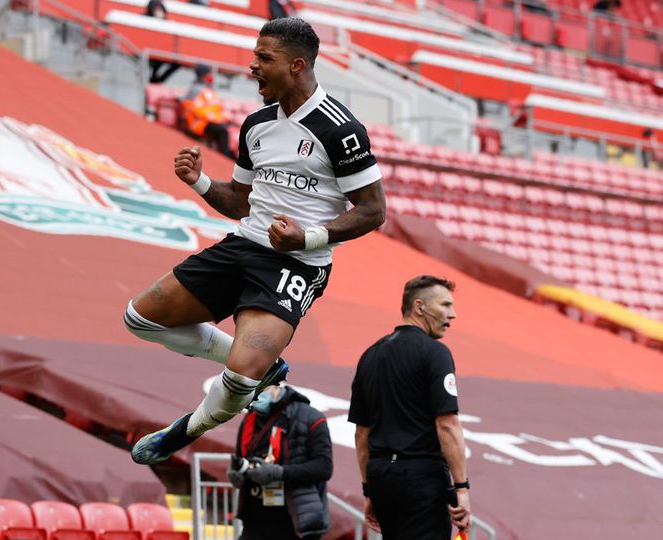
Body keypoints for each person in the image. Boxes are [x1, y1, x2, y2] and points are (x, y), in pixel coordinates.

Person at [126, 17, 385, 466]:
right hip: (243, 246)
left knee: (239, 375)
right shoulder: (256, 124)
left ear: (297, 65)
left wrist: (309, 237)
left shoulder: (341, 130)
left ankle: (188, 429)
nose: (252, 67)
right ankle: (266, 368)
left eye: (265, 58)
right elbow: (240, 202)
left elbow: (373, 210)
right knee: (140, 319)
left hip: (297, 266)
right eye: (254, 56)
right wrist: (200, 181)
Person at [348, 275, 471, 539]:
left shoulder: (370, 355)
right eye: (446, 305)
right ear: (419, 307)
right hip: (421, 477)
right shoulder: (435, 352)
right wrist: (461, 488)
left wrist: (369, 491)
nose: (454, 314)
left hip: (382, 478)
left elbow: (362, 434)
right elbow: (447, 424)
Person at [227, 384, 333, 539]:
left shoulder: (311, 418)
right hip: (255, 520)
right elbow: (241, 457)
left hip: (295, 521)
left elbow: (324, 467)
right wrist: (237, 474)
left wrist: (278, 473)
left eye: (260, 388)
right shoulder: (249, 419)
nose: (254, 395)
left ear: (276, 384)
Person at [182, 64, 235, 159]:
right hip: (199, 123)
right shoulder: (197, 89)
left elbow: (215, 107)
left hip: (207, 120)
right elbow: (197, 110)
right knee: (223, 130)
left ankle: (227, 153)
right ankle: (225, 157)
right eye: (209, 73)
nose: (211, 76)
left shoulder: (205, 88)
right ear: (204, 75)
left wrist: (223, 117)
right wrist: (217, 118)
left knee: (225, 127)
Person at [145, 0, 181, 83]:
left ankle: (157, 80)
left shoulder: (166, 22)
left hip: (162, 50)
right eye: (156, 9)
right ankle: (155, 80)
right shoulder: (145, 18)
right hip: (149, 49)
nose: (158, 11)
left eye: (160, 9)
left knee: (175, 63)